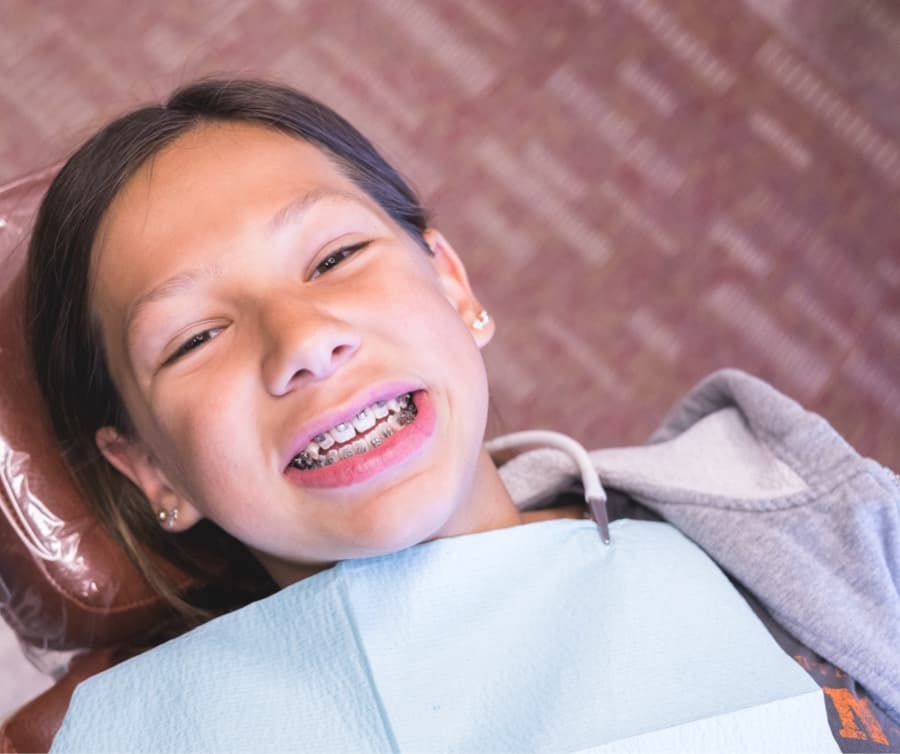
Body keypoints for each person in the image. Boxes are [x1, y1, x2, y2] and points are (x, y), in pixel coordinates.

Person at [24, 78, 897, 752]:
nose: (303, 340)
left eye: (334, 256)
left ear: (452, 284)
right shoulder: (138, 737)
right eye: (196, 336)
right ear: (150, 471)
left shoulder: (799, 512)